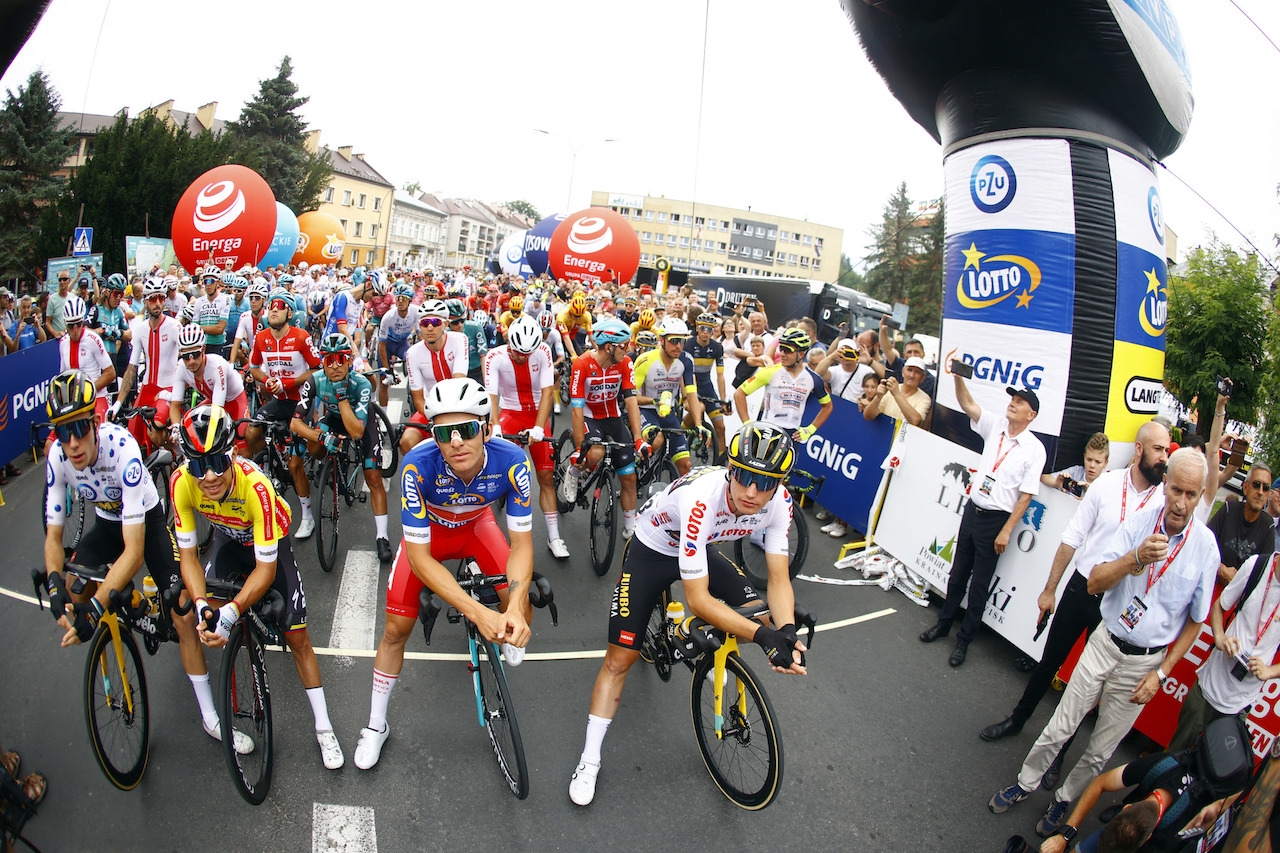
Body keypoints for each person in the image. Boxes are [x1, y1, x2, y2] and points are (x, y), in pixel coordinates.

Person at [567, 421, 809, 806]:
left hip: (699, 546)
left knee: (756, 611)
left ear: (779, 484)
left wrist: (787, 630)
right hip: (653, 548)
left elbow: (778, 580)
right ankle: (589, 758)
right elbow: (698, 599)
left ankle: (703, 644)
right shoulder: (703, 498)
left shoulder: (780, 505)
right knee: (619, 660)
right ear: (730, 467)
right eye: (744, 476)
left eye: (765, 483)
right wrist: (764, 637)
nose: (751, 491)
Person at [990, 448, 1220, 840]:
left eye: (1192, 495)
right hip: (1106, 642)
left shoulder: (1206, 548)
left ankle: (1064, 799)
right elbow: (1095, 582)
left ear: (1200, 497)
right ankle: (1026, 782)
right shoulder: (1136, 524)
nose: (1182, 503)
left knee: (1101, 749)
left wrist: (1162, 674)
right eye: (1177, 490)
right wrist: (1134, 559)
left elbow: (1197, 621)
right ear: (1165, 486)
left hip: (1145, 665)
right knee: (1062, 723)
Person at [40, 372, 240, 752]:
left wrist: (99, 605)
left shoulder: (122, 449)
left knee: (181, 613)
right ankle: (125, 605)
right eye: (62, 432)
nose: (72, 442)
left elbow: (134, 552)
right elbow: (53, 538)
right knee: (72, 589)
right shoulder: (57, 457)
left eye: (80, 427)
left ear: (95, 423)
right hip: (106, 523)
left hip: (144, 523)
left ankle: (210, 716)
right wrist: (53, 584)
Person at [353, 378, 533, 770]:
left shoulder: (513, 460)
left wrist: (515, 607)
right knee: (396, 629)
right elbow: (419, 559)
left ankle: (506, 624)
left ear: (486, 427)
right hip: (429, 538)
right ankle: (375, 724)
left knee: (523, 608)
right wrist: (476, 611)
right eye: (443, 432)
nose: (456, 442)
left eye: (467, 429)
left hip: (477, 527)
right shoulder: (417, 464)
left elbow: (521, 546)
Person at [978, 424, 1166, 785]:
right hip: (1081, 589)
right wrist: (1049, 590)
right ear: (1140, 449)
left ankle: (1058, 757)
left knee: (1085, 686)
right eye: (1158, 449)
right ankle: (1016, 720)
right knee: (1049, 662)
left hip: (1117, 603)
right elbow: (1071, 539)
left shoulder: (1161, 502)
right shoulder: (1108, 486)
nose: (1164, 458)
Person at [172, 405, 343, 770]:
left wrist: (232, 610)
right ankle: (216, 713)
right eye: (199, 466)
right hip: (228, 538)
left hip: (270, 542)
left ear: (231, 453)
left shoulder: (256, 487)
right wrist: (205, 606)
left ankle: (324, 727)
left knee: (297, 636)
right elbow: (188, 558)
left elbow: (265, 570)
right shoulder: (180, 483)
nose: (210, 476)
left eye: (218, 461)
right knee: (196, 612)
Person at [919, 380, 1046, 668]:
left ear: (1032, 415)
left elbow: (1026, 497)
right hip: (972, 511)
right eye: (1012, 398)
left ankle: (964, 641)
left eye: (1020, 402)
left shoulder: (1034, 449)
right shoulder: (996, 425)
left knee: (979, 586)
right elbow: (968, 405)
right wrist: (958, 377)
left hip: (996, 521)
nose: (1012, 403)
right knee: (957, 574)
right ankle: (943, 624)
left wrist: (1006, 530)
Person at [1034, 719, 1251, 853]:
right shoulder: (1160, 765)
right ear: (1127, 808)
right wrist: (1065, 835)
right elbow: (1100, 783)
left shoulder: (1172, 837)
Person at [1166, 543, 1280, 752]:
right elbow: (1219, 605)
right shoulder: (1256, 566)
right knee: (1175, 754)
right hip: (1210, 685)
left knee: (1213, 773)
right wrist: (1220, 637)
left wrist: (1270, 671)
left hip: (1241, 702)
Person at [290, 334, 392, 563]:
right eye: (329, 360)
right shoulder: (314, 381)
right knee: (313, 445)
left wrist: (343, 397)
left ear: (348, 361)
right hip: (334, 419)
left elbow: (356, 431)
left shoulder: (361, 383)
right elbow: (295, 423)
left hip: (360, 423)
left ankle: (382, 536)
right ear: (322, 363)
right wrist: (321, 437)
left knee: (374, 478)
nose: (335, 365)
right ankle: (330, 465)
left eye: (340, 359)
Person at [559, 318, 648, 540]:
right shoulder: (582, 364)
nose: (628, 349)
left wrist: (638, 439)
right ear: (609, 347)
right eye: (624, 345)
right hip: (590, 417)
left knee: (628, 476)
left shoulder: (625, 362)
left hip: (613, 418)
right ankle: (574, 472)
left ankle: (630, 527)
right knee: (595, 452)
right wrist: (580, 448)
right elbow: (577, 410)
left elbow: (630, 401)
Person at [485, 315, 564, 559]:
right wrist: (495, 425)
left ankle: (554, 537)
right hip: (510, 413)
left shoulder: (541, 351)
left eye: (527, 354)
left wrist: (539, 428)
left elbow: (548, 391)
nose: (523, 357)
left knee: (545, 476)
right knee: (501, 472)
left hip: (536, 413)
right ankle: (494, 535)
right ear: (510, 342)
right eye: (519, 353)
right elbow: (492, 395)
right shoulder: (494, 357)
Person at [245, 290, 322, 538]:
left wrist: (289, 383)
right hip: (278, 400)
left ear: (289, 312)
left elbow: (316, 370)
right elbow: (254, 368)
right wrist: (267, 381)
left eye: (279, 306)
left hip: (301, 399)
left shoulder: (301, 337)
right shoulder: (261, 338)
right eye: (270, 306)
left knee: (296, 463)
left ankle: (307, 517)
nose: (273, 309)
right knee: (251, 430)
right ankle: (270, 465)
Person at [114, 277, 181, 455]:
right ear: (145, 301)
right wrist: (118, 403)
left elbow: (188, 362)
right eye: (153, 298)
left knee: (156, 431)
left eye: (161, 297)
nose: (158, 303)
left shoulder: (174, 326)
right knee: (131, 436)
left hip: (167, 389)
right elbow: (132, 368)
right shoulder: (141, 329)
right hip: (147, 389)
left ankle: (177, 455)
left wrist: (177, 391)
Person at [733, 327, 832, 446]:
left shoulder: (814, 379)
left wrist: (810, 429)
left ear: (801, 353)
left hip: (792, 435)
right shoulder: (770, 372)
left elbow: (827, 406)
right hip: (767, 430)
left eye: (787, 350)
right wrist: (747, 424)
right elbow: (739, 393)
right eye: (781, 349)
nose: (782, 354)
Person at [633, 317, 702, 478]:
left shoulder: (686, 360)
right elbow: (630, 396)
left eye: (682, 341)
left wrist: (699, 424)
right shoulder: (645, 360)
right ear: (661, 340)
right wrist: (653, 401)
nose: (678, 346)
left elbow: (691, 393)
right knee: (657, 440)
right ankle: (637, 458)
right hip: (646, 410)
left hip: (669, 413)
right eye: (674, 340)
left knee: (686, 465)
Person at [400, 299, 469, 454]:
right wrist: (435, 418)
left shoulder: (459, 340)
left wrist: (448, 420)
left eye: (435, 322)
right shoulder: (413, 353)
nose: (430, 327)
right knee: (406, 442)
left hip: (459, 405)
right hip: (430, 409)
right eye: (425, 323)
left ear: (445, 324)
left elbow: (459, 382)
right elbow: (418, 399)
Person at [168, 323, 249, 433]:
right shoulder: (180, 367)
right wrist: (176, 428)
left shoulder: (217, 365)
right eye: (186, 357)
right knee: (189, 427)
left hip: (235, 401)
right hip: (212, 401)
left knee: (241, 442)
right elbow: (175, 406)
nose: (191, 361)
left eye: (195, 354)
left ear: (203, 349)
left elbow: (217, 411)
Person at [1206, 463, 1275, 586]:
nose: (1260, 492)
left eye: (1266, 488)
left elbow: (1264, 573)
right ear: (1245, 487)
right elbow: (1204, 545)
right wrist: (1220, 568)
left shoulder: (1268, 526)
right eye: (1256, 485)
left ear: (1269, 495)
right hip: (1211, 583)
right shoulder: (1228, 510)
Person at [55, 296, 115, 420]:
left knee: (96, 433)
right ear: (65, 324)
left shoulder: (93, 339)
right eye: (71, 326)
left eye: (79, 324)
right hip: (73, 404)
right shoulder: (63, 343)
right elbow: (62, 377)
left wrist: (88, 390)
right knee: (52, 439)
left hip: (97, 397)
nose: (76, 330)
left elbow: (110, 373)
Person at [686, 312, 730, 457]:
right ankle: (680, 433)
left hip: (707, 386)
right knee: (699, 408)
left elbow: (720, 376)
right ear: (697, 328)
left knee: (720, 426)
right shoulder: (688, 344)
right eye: (703, 328)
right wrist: (686, 396)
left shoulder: (717, 347)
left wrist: (722, 400)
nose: (706, 332)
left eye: (709, 329)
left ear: (713, 331)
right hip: (690, 385)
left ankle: (721, 459)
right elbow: (685, 372)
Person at [376, 282, 419, 406]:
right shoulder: (388, 316)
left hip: (402, 344)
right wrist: (388, 370)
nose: (400, 301)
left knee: (415, 364)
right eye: (397, 298)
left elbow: (421, 335)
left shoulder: (416, 311)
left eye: (404, 298)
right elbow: (382, 346)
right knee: (384, 380)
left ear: (410, 300)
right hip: (388, 345)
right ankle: (382, 415)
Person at [862, 355, 931, 427]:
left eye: (917, 372)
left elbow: (915, 421)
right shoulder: (889, 389)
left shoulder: (925, 398)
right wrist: (878, 397)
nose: (912, 375)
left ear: (923, 377)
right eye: (909, 370)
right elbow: (868, 416)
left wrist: (896, 394)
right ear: (903, 372)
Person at [879, 317, 937, 398]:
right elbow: (887, 349)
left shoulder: (931, 381)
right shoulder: (899, 365)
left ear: (923, 354)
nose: (912, 355)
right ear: (904, 355)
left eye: (916, 352)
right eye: (909, 352)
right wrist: (882, 330)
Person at [1042, 432, 1110, 495]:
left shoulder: (1107, 486)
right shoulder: (1076, 471)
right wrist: (1056, 483)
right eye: (1089, 460)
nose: (1092, 465)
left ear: (1105, 463)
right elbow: (1042, 477)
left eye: (1098, 462)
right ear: (1084, 457)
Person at [229, 280, 269, 366]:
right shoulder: (245, 316)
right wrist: (231, 364)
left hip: (268, 356)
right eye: (251, 298)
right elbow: (236, 342)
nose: (253, 301)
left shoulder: (269, 316)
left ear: (264, 300)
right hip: (252, 354)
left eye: (257, 298)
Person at [191, 270, 231, 358]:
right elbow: (194, 328)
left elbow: (220, 329)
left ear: (217, 283)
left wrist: (200, 328)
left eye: (211, 281)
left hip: (217, 344)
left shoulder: (225, 299)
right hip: (201, 344)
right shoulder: (199, 301)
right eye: (205, 281)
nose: (208, 284)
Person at [46, 270, 70, 340]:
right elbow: (47, 322)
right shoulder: (52, 299)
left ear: (69, 280)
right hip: (57, 339)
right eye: (60, 280)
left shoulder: (72, 298)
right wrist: (55, 333)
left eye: (64, 279)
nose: (62, 282)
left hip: (70, 337)